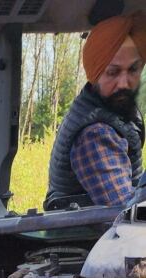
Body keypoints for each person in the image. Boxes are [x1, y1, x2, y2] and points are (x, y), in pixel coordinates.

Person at [45, 13, 146, 210]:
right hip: (97, 239)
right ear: (95, 74)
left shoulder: (115, 115)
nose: (124, 84)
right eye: (113, 72)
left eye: (133, 70)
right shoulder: (96, 135)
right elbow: (127, 215)